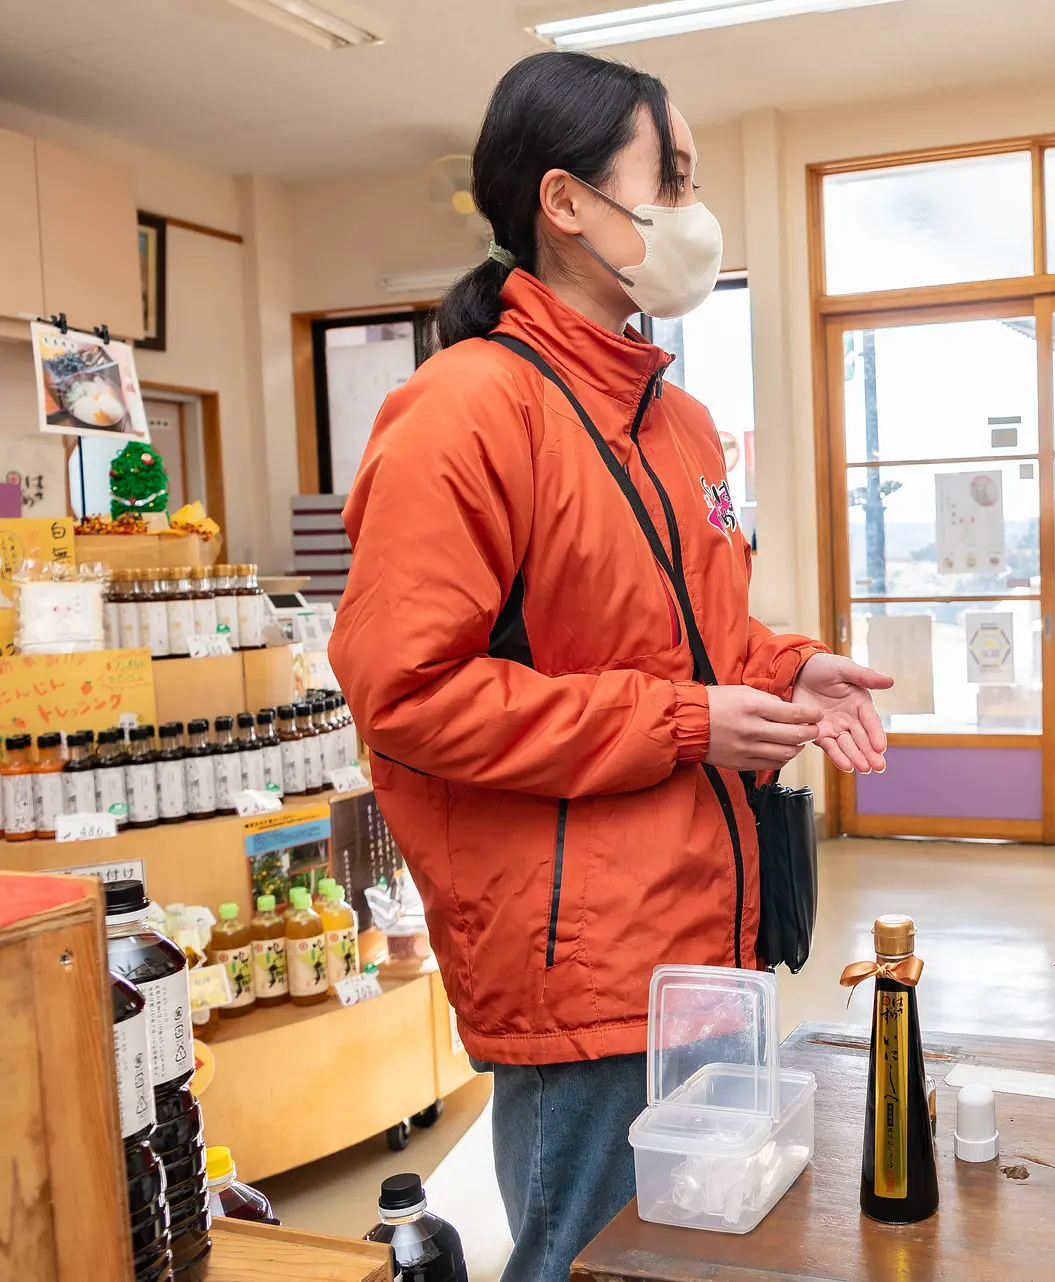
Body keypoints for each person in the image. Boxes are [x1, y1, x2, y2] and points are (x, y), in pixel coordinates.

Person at [330, 51, 890, 1282]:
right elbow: (408, 694)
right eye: (670, 179)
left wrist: (789, 672)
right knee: (592, 1259)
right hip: (580, 970)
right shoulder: (463, 411)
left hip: (711, 938)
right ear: (566, 201)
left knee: (707, 1250)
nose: (694, 210)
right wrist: (687, 722)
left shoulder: (677, 422)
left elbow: (694, 641)